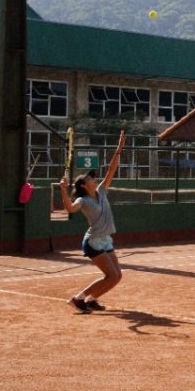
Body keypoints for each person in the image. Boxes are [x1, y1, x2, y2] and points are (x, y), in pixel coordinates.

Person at [59, 130, 126, 313]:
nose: (93, 178)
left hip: (106, 239)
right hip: (93, 241)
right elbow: (70, 209)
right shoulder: (83, 200)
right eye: (90, 178)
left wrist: (119, 149)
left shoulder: (102, 190)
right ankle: (78, 298)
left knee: (117, 276)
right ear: (83, 185)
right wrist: (63, 190)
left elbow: (111, 169)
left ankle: (90, 300)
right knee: (111, 275)